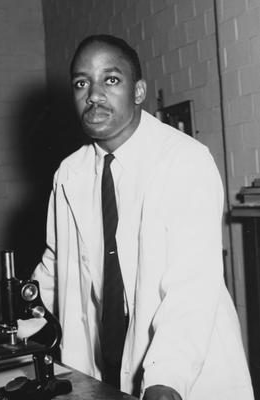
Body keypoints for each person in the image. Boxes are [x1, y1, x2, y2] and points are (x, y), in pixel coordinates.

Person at [31, 34, 254, 400]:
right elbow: (56, 264)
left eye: (111, 80)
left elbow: (192, 286)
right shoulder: (69, 173)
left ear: (138, 92)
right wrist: (22, 317)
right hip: (103, 367)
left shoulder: (185, 161)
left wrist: (166, 379)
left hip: (181, 373)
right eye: (82, 83)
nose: (94, 95)